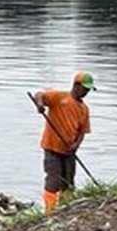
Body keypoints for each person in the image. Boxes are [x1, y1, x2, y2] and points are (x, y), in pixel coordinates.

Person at [32, 72, 95, 214]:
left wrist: (75, 146)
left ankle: (66, 210)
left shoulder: (84, 109)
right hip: (52, 148)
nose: (86, 92)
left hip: (69, 151)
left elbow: (82, 131)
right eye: (85, 89)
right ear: (76, 86)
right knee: (53, 180)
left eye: (88, 90)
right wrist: (40, 105)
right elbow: (39, 95)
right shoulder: (59, 97)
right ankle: (50, 212)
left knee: (68, 183)